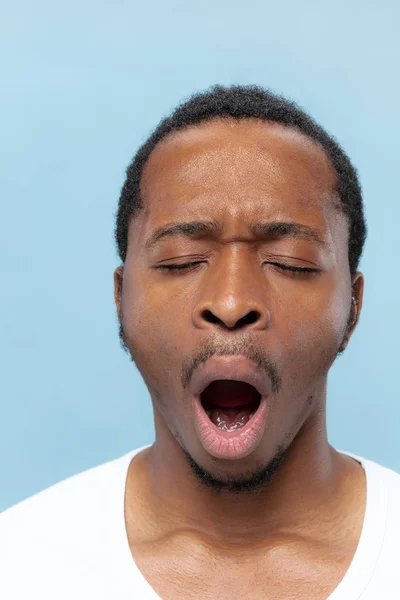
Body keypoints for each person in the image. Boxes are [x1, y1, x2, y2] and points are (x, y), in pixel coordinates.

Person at [1, 85, 398, 600]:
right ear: (121, 298)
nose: (231, 302)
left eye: (289, 262)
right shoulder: (19, 565)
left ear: (353, 306)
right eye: (181, 261)